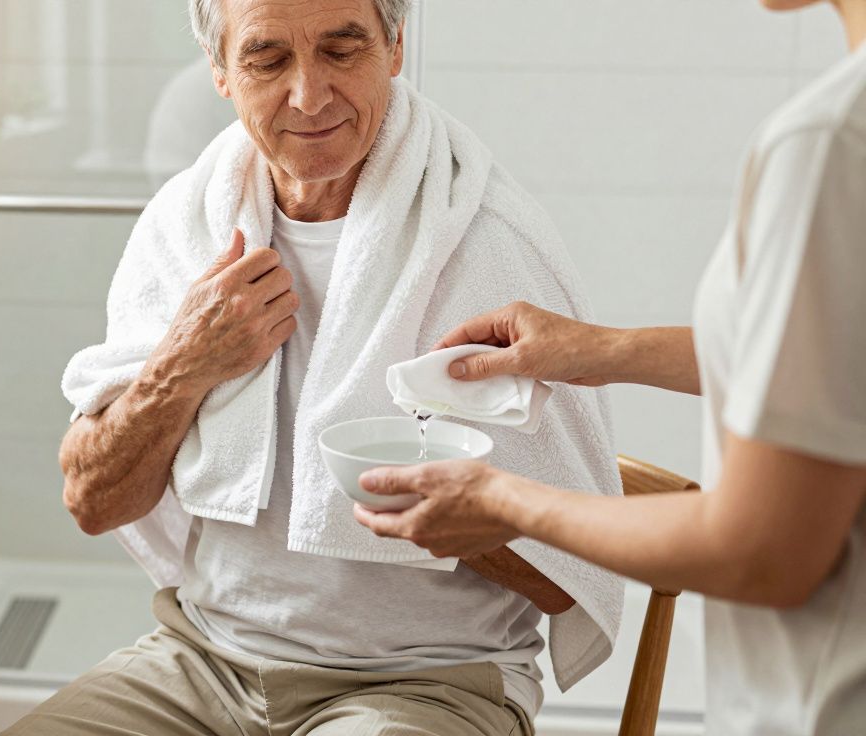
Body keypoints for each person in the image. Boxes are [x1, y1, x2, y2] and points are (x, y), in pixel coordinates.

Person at [5, 0, 629, 733]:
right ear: (220, 71)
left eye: (342, 51)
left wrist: (464, 517)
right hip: (201, 660)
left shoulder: (488, 244)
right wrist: (183, 366)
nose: (308, 94)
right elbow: (93, 501)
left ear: (395, 48)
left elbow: (571, 578)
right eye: (267, 60)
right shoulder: (187, 227)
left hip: (425, 681)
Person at [353, 1, 866, 733]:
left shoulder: (830, 143)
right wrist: (604, 351)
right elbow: (835, 362)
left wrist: (504, 503)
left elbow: (761, 552)